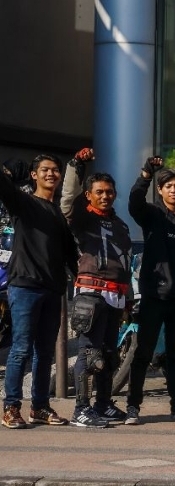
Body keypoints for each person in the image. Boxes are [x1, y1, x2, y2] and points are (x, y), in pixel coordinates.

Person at [125, 156, 175, 424]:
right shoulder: (152, 214)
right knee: (143, 353)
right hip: (153, 296)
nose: (174, 190)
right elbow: (134, 203)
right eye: (169, 186)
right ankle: (133, 406)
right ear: (160, 190)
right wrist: (146, 175)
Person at [0, 154, 78, 429]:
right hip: (25, 286)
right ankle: (11, 407)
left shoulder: (57, 213)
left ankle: (40, 407)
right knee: (20, 349)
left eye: (55, 170)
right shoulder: (23, 202)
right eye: (45, 170)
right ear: (34, 175)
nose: (51, 174)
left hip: (52, 289)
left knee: (44, 353)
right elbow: (4, 187)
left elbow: (70, 254)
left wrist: (80, 279)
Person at [60, 148, 133, 428]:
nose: (105, 196)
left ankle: (103, 404)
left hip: (116, 295)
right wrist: (76, 165)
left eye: (109, 191)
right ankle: (81, 409)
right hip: (90, 293)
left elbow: (126, 263)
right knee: (89, 353)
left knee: (109, 354)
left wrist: (128, 299)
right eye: (99, 192)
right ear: (89, 195)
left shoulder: (120, 225)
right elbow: (68, 199)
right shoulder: (81, 217)